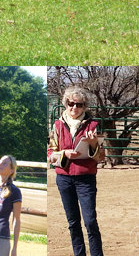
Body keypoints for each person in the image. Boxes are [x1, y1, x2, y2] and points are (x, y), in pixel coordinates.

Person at [47, 86, 104, 256]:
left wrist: (94, 145)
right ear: (65, 104)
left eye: (78, 104)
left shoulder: (93, 125)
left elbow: (101, 157)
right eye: (70, 103)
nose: (74, 108)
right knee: (73, 223)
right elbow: (50, 155)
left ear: (84, 106)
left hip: (86, 179)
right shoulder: (57, 125)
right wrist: (64, 153)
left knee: (90, 221)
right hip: (64, 179)